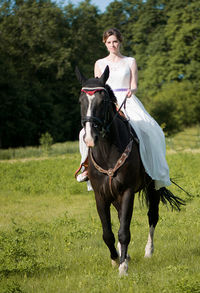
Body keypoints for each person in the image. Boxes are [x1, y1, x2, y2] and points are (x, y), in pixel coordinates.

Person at [77, 28, 171, 190]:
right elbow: (99, 87)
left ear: (120, 42)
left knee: (150, 130)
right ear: (104, 43)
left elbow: (134, 85)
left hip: (127, 99)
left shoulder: (130, 61)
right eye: (109, 42)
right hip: (107, 102)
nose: (112, 45)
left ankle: (153, 170)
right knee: (84, 133)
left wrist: (131, 91)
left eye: (115, 41)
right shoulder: (99, 63)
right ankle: (86, 167)